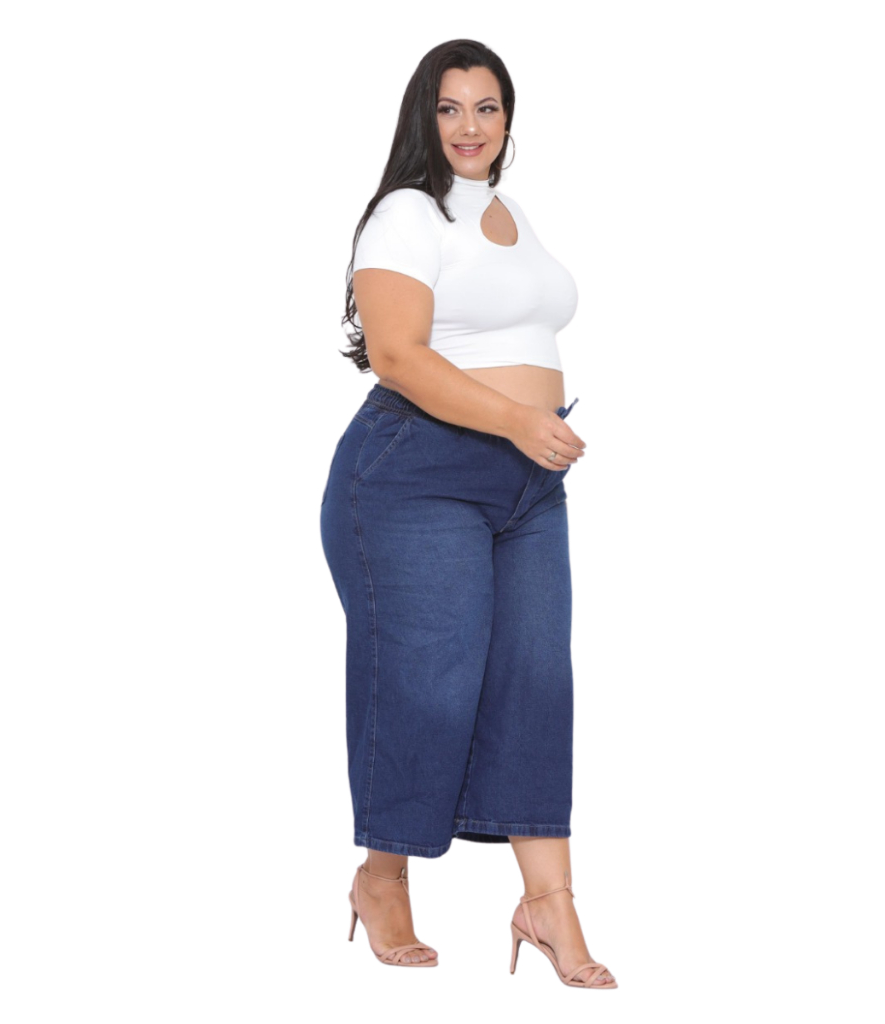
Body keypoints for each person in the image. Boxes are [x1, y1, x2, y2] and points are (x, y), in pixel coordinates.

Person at [319, 39, 617, 990]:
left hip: (527, 481)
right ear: (424, 115)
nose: (470, 127)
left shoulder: (508, 213)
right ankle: (381, 878)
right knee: (429, 682)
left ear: (508, 117)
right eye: (450, 108)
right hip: (419, 473)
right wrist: (520, 420)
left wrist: (531, 434)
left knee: (536, 682)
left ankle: (549, 904)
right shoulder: (407, 213)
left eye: (487, 108)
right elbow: (398, 356)